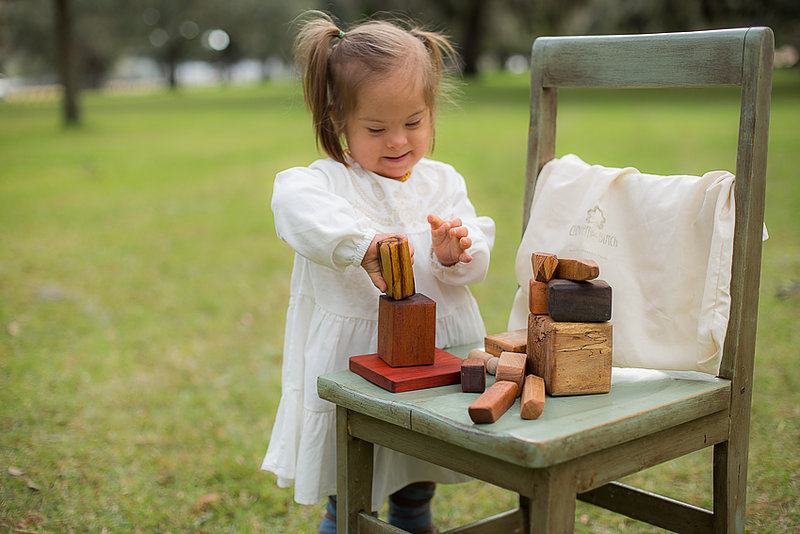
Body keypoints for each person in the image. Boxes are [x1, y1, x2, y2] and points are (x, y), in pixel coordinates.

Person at [261, 11, 495, 534]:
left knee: (418, 470)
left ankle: (414, 519)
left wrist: (452, 254)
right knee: (351, 484)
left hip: (435, 353)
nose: (397, 141)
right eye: (376, 128)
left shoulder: (442, 182)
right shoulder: (326, 182)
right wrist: (362, 246)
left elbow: (473, 248)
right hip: (356, 360)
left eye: (413, 123)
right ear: (337, 120)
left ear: (432, 113)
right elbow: (291, 203)